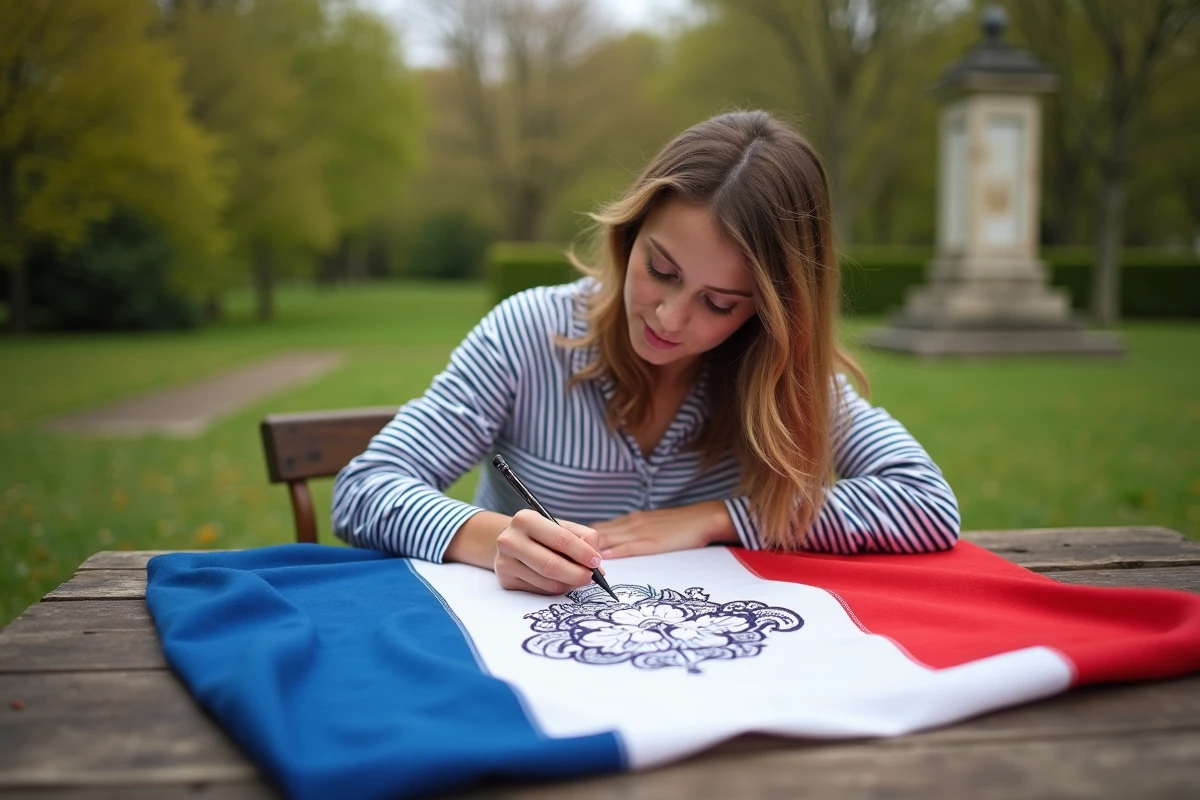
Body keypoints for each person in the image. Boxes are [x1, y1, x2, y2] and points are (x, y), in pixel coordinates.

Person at [332, 110, 960, 596]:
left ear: (770, 315)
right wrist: (494, 539)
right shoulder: (529, 334)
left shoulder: (772, 373)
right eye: (660, 269)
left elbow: (925, 503)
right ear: (629, 234)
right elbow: (364, 489)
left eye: (719, 304)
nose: (668, 317)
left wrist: (718, 518)